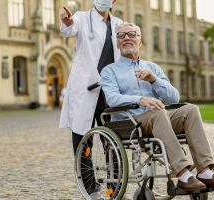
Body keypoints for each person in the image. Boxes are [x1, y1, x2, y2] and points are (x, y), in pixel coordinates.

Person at [100, 22, 214, 191]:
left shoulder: (152, 67)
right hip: (130, 123)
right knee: (159, 113)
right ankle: (183, 175)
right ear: (117, 43)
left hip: (158, 119)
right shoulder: (109, 71)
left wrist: (154, 80)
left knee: (190, 109)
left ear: (140, 41)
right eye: (121, 35)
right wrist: (140, 99)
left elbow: (174, 97)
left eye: (132, 34)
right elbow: (111, 98)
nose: (126, 38)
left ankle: (205, 171)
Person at [58, 0, 130, 199]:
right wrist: (67, 21)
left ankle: (116, 188)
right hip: (85, 89)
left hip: (109, 91)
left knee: (113, 142)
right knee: (83, 140)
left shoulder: (118, 24)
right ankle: (91, 189)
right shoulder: (82, 17)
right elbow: (70, 28)